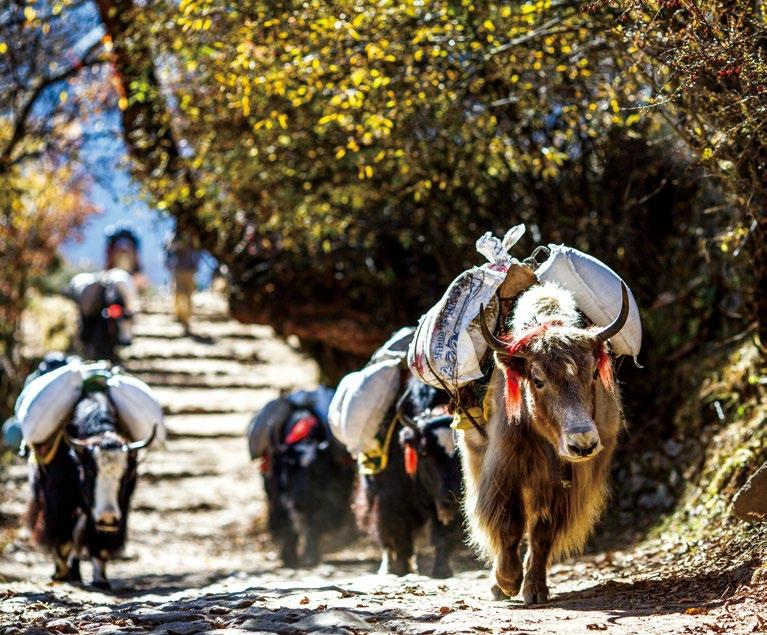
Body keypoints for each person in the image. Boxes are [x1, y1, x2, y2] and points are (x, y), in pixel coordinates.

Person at [164, 230, 201, 333]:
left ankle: (187, 318)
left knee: (189, 294)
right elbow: (167, 250)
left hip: (190, 270)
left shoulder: (191, 236)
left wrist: (196, 265)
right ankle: (180, 317)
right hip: (178, 270)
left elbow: (197, 251)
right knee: (179, 294)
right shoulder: (172, 236)